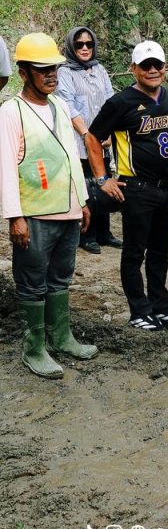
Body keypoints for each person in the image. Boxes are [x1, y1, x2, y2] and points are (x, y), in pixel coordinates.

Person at [0, 33, 98, 378]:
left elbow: (71, 157)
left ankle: (61, 337)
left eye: (54, 68)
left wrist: (82, 201)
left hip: (67, 211)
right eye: (42, 69)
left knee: (60, 278)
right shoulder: (11, 113)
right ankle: (34, 348)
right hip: (35, 214)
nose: (51, 74)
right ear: (23, 73)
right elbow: (6, 168)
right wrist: (15, 217)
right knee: (32, 282)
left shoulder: (59, 105)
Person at [86, 40, 168, 333]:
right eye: (146, 65)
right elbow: (92, 137)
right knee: (134, 252)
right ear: (134, 68)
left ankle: (161, 307)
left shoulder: (167, 96)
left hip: (167, 187)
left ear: (165, 67)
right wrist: (102, 178)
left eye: (158, 64)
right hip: (137, 188)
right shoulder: (121, 102)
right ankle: (139, 311)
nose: (152, 70)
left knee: (160, 251)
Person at [56, 26, 119, 254]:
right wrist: (86, 135)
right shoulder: (65, 72)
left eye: (89, 44)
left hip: (102, 139)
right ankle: (87, 235)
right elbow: (68, 105)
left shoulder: (99, 69)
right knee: (86, 187)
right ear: (71, 47)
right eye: (79, 44)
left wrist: (109, 132)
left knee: (104, 183)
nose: (85, 48)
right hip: (79, 139)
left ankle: (105, 233)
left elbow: (111, 101)